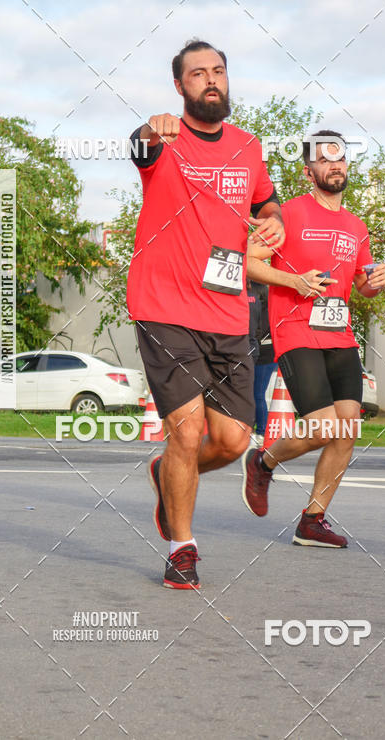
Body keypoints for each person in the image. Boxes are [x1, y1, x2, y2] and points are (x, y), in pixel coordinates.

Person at [127, 39, 285, 588]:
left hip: (226, 310)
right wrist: (152, 129)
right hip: (164, 305)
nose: (210, 79)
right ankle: (181, 548)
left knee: (235, 440)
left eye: (218, 70)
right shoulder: (164, 139)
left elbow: (266, 200)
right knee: (188, 433)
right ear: (179, 86)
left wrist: (274, 222)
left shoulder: (248, 146)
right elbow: (140, 145)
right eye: (197, 73)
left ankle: (164, 473)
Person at [242, 130, 385, 547]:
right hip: (295, 331)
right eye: (325, 160)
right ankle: (263, 461)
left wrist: (377, 280)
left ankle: (312, 521)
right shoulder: (288, 214)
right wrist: (294, 280)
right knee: (323, 427)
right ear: (309, 171)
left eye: (340, 159)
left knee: (346, 431)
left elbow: (363, 285)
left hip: (339, 336)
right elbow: (248, 263)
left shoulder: (356, 226)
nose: (335, 166)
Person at [249, 280, 276, 444]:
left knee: (257, 393)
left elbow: (259, 329)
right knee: (254, 394)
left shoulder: (259, 298)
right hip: (259, 349)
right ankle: (254, 430)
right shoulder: (261, 296)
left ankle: (261, 432)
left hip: (265, 351)